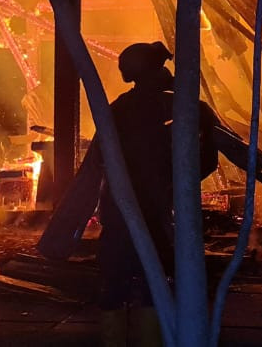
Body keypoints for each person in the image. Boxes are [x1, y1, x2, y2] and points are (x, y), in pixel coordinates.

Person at [93, 41, 220, 347]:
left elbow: (98, 159)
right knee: (157, 283)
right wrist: (175, 185)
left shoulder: (119, 109)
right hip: (153, 212)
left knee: (114, 285)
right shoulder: (182, 109)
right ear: (152, 71)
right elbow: (207, 159)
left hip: (117, 211)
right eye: (161, 67)